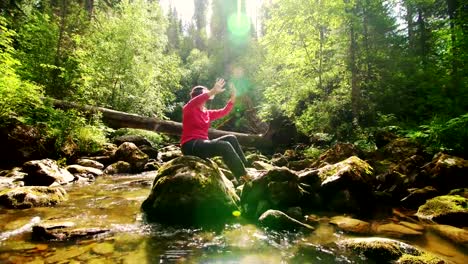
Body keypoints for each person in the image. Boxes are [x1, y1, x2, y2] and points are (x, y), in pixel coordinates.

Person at [180, 78, 250, 182]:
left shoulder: (206, 112)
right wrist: (212, 91)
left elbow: (224, 112)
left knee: (231, 138)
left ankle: (246, 167)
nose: (207, 98)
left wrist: (233, 97)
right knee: (224, 146)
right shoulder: (189, 108)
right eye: (205, 95)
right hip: (190, 145)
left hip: (203, 143)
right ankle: (243, 176)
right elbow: (197, 100)